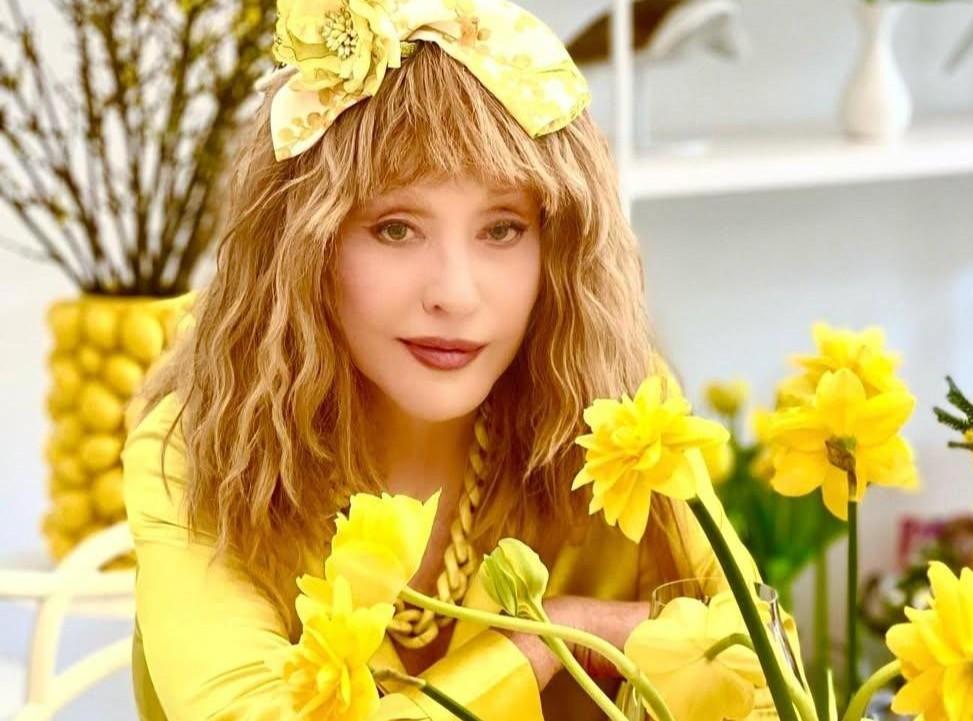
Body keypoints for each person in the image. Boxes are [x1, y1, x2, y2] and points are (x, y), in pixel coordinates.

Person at [122, 1, 775, 719]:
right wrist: (546, 644)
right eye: (395, 229)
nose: (455, 295)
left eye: (502, 229)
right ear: (303, 247)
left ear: (559, 246)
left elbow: (764, 671)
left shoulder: (619, 408)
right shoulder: (197, 448)